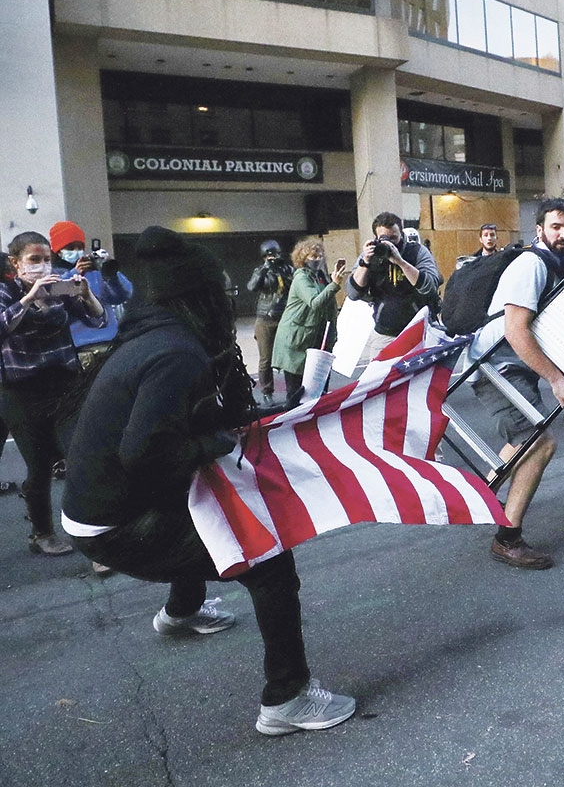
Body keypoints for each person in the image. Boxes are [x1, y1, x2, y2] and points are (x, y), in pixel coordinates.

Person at [62, 225, 355, 735]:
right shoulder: (177, 354)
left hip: (102, 508)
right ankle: (287, 698)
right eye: (218, 290)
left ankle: (182, 610)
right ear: (197, 296)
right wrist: (213, 444)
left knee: (205, 506)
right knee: (267, 560)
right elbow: (145, 454)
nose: (227, 298)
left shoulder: (154, 335)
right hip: (113, 524)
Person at [466, 198, 564, 569]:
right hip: (496, 366)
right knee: (538, 443)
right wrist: (556, 378)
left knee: (520, 439)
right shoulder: (532, 264)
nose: (563, 234)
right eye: (555, 227)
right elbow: (515, 331)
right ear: (539, 230)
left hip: (510, 367)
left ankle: (478, 501)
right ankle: (507, 539)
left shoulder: (550, 263)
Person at [0, 232, 105, 556]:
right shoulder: (6, 292)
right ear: (16, 264)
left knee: (78, 455)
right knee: (39, 464)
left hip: (63, 383)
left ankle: (93, 541)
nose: (43, 266)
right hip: (21, 388)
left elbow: (97, 319)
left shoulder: (59, 287)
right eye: (34, 260)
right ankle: (42, 532)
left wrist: (85, 294)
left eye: (46, 259)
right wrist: (30, 296)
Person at [346, 212, 442, 367]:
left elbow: (429, 287)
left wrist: (401, 262)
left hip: (418, 332)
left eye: (394, 238)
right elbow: (353, 293)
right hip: (385, 333)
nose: (390, 243)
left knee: (416, 385)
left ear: (402, 234)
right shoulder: (371, 254)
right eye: (384, 238)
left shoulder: (417, 252)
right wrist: (365, 262)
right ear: (376, 238)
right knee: (377, 384)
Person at [49, 220, 133, 372]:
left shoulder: (94, 272)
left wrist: (109, 274)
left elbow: (122, 295)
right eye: (70, 247)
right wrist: (75, 273)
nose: (77, 251)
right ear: (58, 251)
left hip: (110, 342)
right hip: (78, 348)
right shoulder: (52, 274)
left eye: (80, 247)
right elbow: (57, 298)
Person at [272, 237, 347, 398]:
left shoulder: (320, 276)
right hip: (296, 342)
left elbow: (329, 308)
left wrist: (332, 338)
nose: (318, 259)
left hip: (316, 340)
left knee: (318, 390)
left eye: (320, 255)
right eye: (313, 256)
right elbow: (315, 302)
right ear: (303, 258)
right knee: (297, 392)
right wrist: (334, 285)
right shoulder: (301, 278)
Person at [245, 240, 293, 401]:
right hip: (265, 318)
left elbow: (294, 286)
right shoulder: (260, 270)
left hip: (284, 317)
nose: (272, 258)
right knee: (266, 358)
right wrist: (265, 269)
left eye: (275, 255)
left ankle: (292, 389)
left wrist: (282, 273)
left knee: (288, 355)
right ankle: (267, 392)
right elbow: (251, 287)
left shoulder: (287, 269)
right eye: (268, 256)